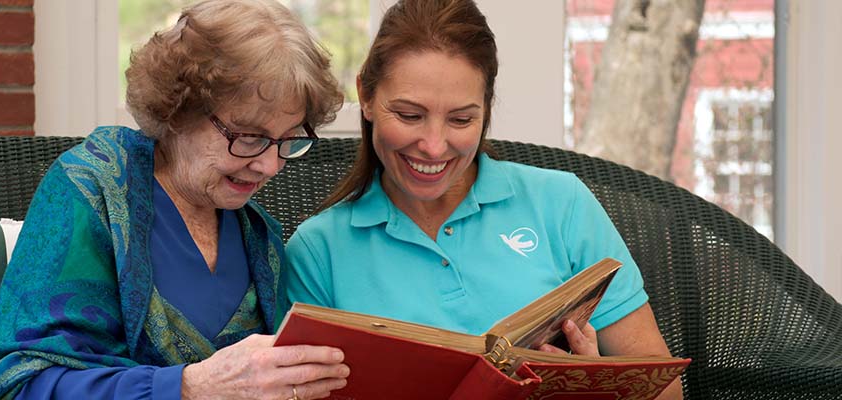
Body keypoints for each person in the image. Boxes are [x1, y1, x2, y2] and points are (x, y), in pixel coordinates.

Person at [283, 0, 683, 398]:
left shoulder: (562, 205)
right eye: (409, 115)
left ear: (486, 110)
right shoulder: (318, 251)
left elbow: (667, 393)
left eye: (461, 119)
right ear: (366, 97)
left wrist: (593, 387)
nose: (434, 146)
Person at [0, 1, 350, 399]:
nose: (269, 165)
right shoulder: (93, 190)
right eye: (249, 137)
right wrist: (189, 388)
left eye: (288, 140)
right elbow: (15, 387)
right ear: (180, 110)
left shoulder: (257, 236)